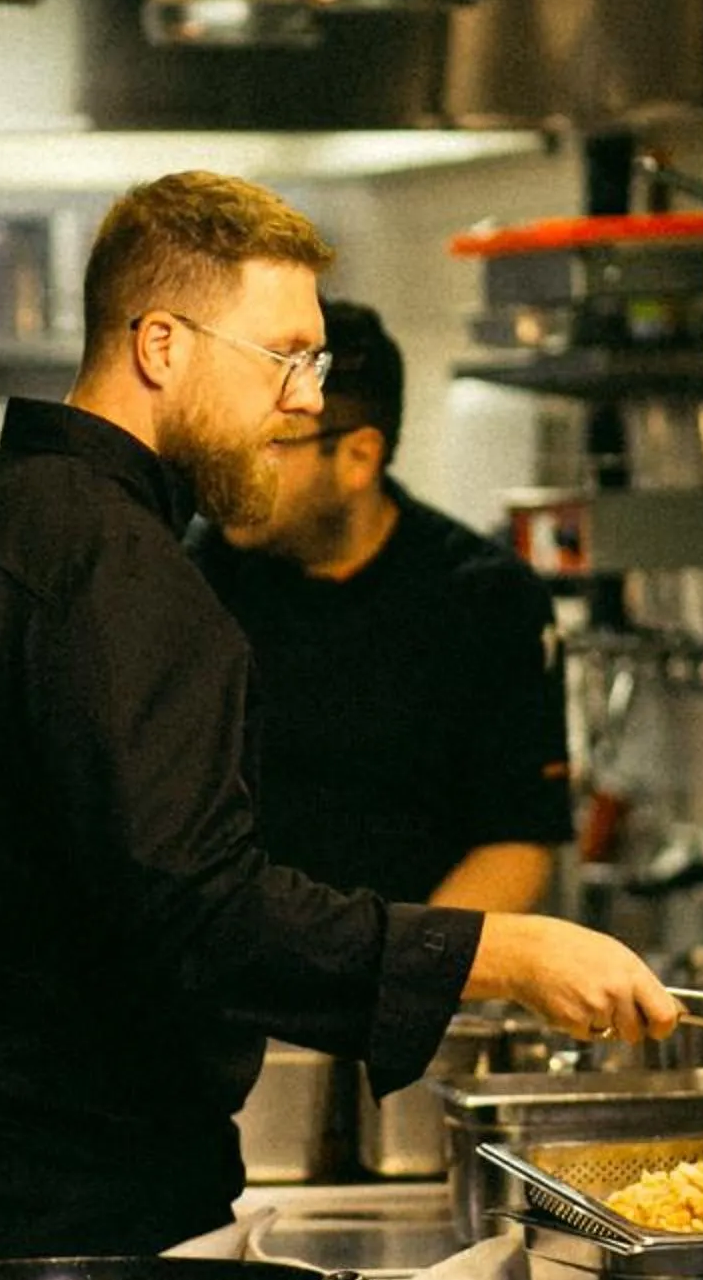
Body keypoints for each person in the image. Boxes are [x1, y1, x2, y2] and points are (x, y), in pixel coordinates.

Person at [0, 172, 676, 1280]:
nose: (309, 399)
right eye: (286, 356)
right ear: (162, 344)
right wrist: (502, 950)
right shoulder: (121, 574)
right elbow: (200, 914)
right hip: (62, 1230)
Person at [196, 301, 570, 913]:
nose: (230, 469)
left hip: (404, 982)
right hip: (222, 984)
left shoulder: (485, 599)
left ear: (359, 458)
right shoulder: (191, 579)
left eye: (266, 444)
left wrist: (405, 975)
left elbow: (515, 842)